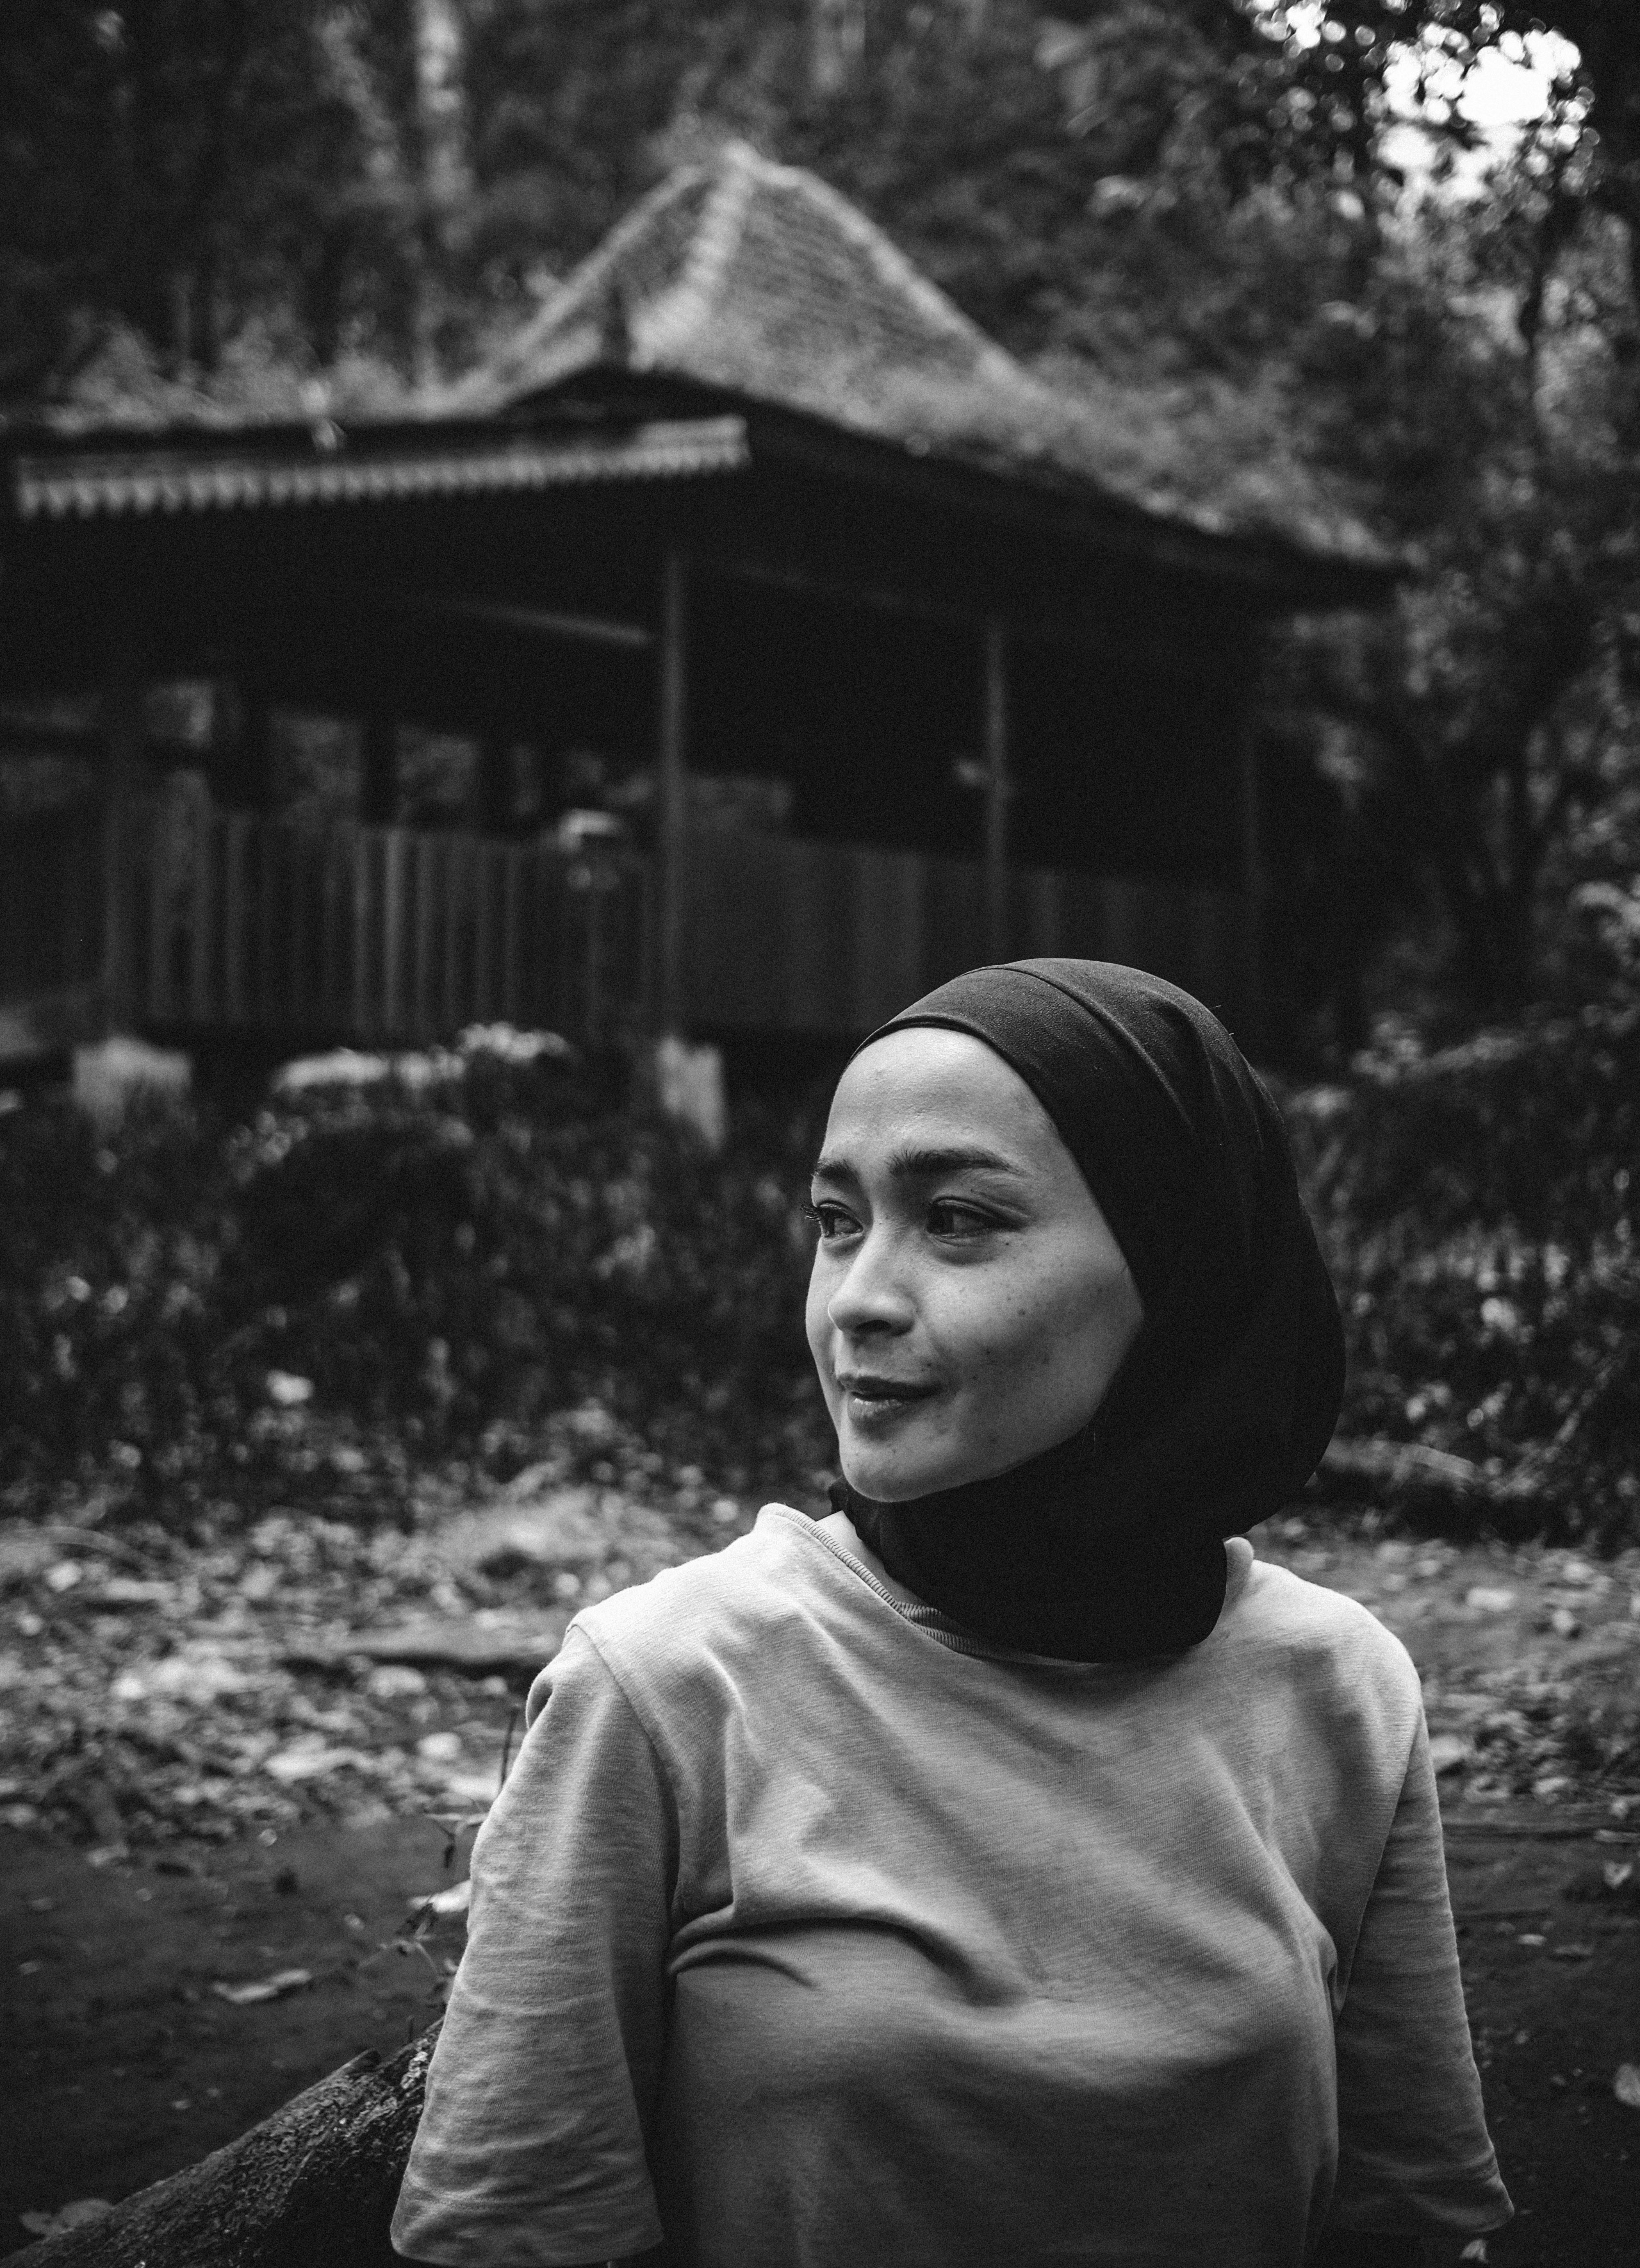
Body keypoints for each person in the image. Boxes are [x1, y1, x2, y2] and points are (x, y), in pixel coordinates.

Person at [392, 960, 1512, 2268]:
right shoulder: (663, 1692)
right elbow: (519, 2234)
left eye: (960, 1221)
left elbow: (1409, 2226)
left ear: (1181, 1266)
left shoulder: (1337, 1689)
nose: (859, 1296)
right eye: (835, 1220)